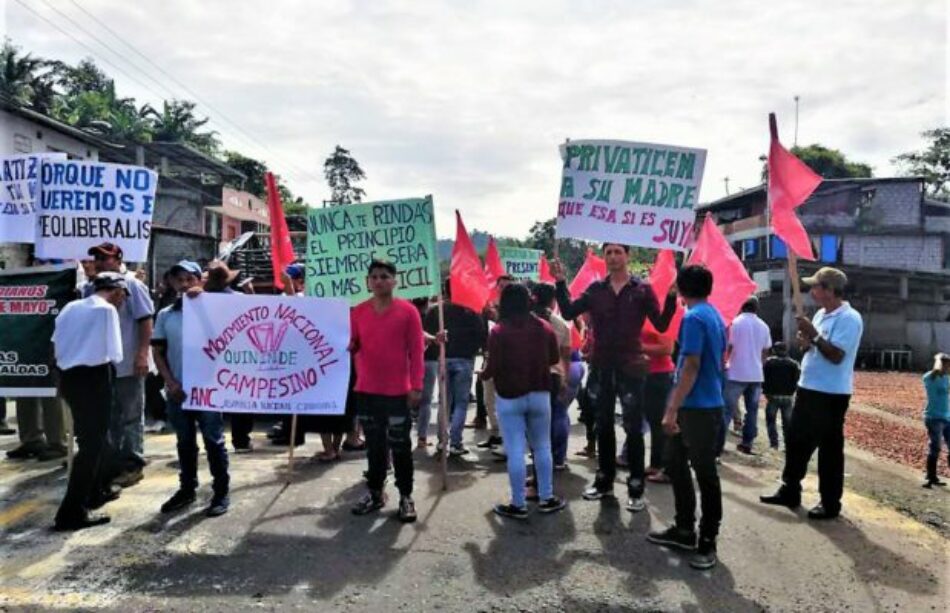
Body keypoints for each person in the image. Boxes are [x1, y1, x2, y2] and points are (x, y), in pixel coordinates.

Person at [553, 243, 676, 512]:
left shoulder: (642, 290)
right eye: (608, 252)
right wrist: (560, 282)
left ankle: (635, 487)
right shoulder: (596, 290)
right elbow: (567, 312)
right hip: (601, 366)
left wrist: (671, 297)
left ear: (628, 256)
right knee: (603, 425)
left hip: (631, 367)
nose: (612, 256)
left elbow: (662, 324)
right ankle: (604, 481)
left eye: (618, 252)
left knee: (633, 428)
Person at [761, 267, 864, 520]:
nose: (812, 291)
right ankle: (790, 489)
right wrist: (806, 342)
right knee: (796, 441)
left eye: (816, 286)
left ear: (829, 290)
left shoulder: (849, 318)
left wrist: (814, 335)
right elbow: (814, 349)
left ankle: (830, 503)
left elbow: (837, 356)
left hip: (831, 393)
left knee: (829, 448)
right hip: (808, 387)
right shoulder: (820, 314)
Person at [647, 264, 726, 571]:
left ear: (680, 289)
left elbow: (691, 365)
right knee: (676, 464)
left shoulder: (694, 317)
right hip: (700, 403)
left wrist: (671, 409)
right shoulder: (713, 314)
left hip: (697, 408)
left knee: (705, 474)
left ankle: (708, 540)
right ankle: (683, 529)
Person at [152, 261, 231, 517]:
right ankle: (187, 489)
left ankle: (221, 492)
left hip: (209, 389)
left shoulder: (216, 309)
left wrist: (207, 300)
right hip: (178, 391)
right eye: (179, 280)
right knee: (184, 442)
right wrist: (170, 381)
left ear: (201, 280)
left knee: (214, 441)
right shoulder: (166, 315)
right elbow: (158, 351)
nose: (184, 285)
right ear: (172, 283)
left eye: (189, 279)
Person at [482, 283, 566, 518]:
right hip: (540, 394)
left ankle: (518, 503)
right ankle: (547, 498)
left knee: (516, 451)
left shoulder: (498, 331)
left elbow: (492, 367)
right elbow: (553, 358)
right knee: (542, 447)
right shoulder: (545, 328)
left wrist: (483, 375)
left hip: (509, 397)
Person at [349, 260, 424, 522]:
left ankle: (405, 496)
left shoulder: (409, 312)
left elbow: (417, 352)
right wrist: (350, 346)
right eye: (374, 277)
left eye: (384, 276)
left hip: (397, 393)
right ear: (367, 281)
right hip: (366, 391)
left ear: (394, 280)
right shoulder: (357, 312)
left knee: (401, 446)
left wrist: (416, 386)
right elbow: (353, 343)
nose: (379, 281)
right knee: (375, 447)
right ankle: (376, 493)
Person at [51, 272, 126, 531]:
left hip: (68, 376)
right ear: (116, 292)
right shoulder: (106, 311)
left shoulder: (71, 307)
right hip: (94, 377)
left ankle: (95, 492)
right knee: (92, 446)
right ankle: (71, 512)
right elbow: (115, 353)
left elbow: (55, 342)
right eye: (123, 296)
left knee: (91, 440)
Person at [84, 242, 154, 488]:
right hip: (101, 364)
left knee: (131, 415)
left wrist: (142, 354)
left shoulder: (132, 285)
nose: (100, 263)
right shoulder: (90, 288)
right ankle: (113, 464)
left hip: (128, 362)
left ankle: (133, 463)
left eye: (105, 258)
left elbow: (146, 321)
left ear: (118, 259)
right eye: (96, 259)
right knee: (109, 417)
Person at [423, 278, 486, 456]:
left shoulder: (436, 311)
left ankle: (443, 441)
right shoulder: (471, 311)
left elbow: (427, 334)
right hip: (465, 360)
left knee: (444, 401)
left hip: (443, 359)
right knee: (461, 403)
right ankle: (456, 442)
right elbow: (481, 335)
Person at [529, 283, 572, 470]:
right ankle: (557, 458)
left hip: (530, 376)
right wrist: (565, 378)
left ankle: (539, 457)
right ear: (554, 300)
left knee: (534, 420)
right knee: (557, 415)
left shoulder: (524, 320)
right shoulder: (561, 324)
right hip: (554, 375)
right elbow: (566, 354)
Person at [722, 296, 772, 455]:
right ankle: (747, 442)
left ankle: (718, 445)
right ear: (757, 308)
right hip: (756, 374)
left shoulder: (735, 324)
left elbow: (728, 347)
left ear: (741, 306)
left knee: (727, 411)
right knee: (752, 411)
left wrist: (724, 362)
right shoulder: (764, 326)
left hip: (736, 372)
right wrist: (759, 364)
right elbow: (766, 350)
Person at [641, 328, 676, 483]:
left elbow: (667, 348)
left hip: (659, 374)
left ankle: (663, 465)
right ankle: (657, 463)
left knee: (659, 421)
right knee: (652, 420)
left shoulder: (661, 322)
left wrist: (639, 346)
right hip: (647, 373)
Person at [762, 342, 800, 450]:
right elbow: (797, 379)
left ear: (774, 350)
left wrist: (765, 390)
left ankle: (774, 443)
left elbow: (764, 377)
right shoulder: (794, 364)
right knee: (787, 423)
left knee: (771, 421)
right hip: (788, 396)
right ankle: (788, 444)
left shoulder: (769, 362)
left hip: (772, 396)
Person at [922, 353, 950, 488]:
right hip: (933, 418)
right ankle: (931, 476)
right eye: (945, 364)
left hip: (947, 417)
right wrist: (939, 359)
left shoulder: (947, 379)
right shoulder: (930, 377)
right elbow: (935, 371)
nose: (948, 367)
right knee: (936, 447)